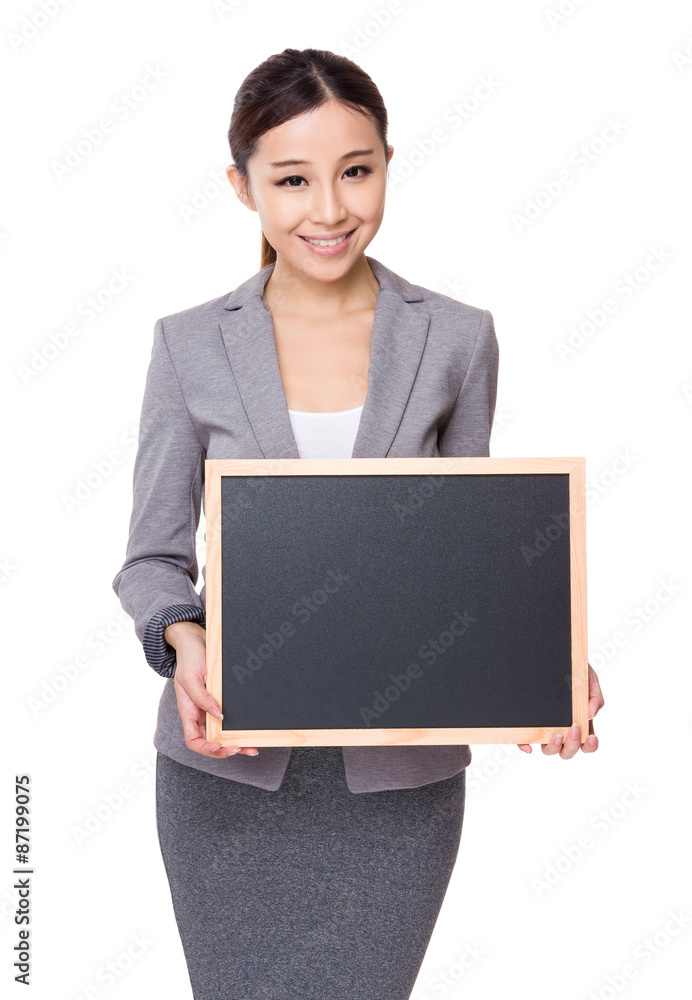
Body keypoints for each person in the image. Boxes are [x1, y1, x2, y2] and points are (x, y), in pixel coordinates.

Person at [112, 46, 604, 1000]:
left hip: (400, 778)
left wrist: (549, 654)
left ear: (386, 164)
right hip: (229, 773)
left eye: (356, 171)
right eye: (291, 179)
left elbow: (474, 545)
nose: (329, 209)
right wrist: (182, 638)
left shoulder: (457, 336)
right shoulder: (189, 344)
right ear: (242, 186)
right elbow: (151, 557)